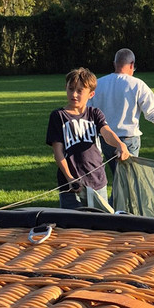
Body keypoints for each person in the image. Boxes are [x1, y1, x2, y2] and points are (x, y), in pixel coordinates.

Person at [46, 67, 130, 210]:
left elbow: (106, 132)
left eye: (80, 91)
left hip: (97, 181)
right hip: (71, 185)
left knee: (99, 224)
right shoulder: (58, 116)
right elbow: (58, 153)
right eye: (71, 89)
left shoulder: (94, 114)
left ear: (91, 94)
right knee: (73, 227)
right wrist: (69, 178)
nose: (74, 94)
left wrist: (120, 144)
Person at [90, 48, 154, 176]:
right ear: (132, 65)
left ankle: (116, 197)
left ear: (114, 64)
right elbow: (151, 112)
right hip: (128, 140)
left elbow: (89, 111)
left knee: (119, 179)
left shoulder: (99, 84)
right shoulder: (137, 84)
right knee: (128, 182)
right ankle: (117, 197)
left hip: (106, 139)